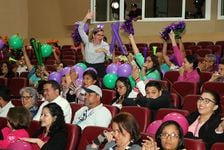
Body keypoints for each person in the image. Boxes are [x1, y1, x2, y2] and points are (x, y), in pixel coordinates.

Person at [78, 10, 111, 78]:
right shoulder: (87, 41)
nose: (101, 37)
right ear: (93, 35)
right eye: (98, 35)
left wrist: (104, 50)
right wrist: (86, 18)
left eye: (102, 35)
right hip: (88, 66)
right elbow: (80, 29)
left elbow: (110, 56)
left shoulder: (104, 44)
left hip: (100, 67)